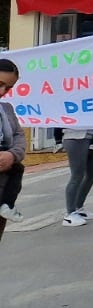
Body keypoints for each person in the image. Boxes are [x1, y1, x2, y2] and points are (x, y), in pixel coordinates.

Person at [0, 59, 24, 238]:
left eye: (8, 88)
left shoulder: (6, 109)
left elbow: (19, 137)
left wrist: (12, 155)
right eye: (0, 84)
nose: (3, 92)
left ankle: (7, 206)